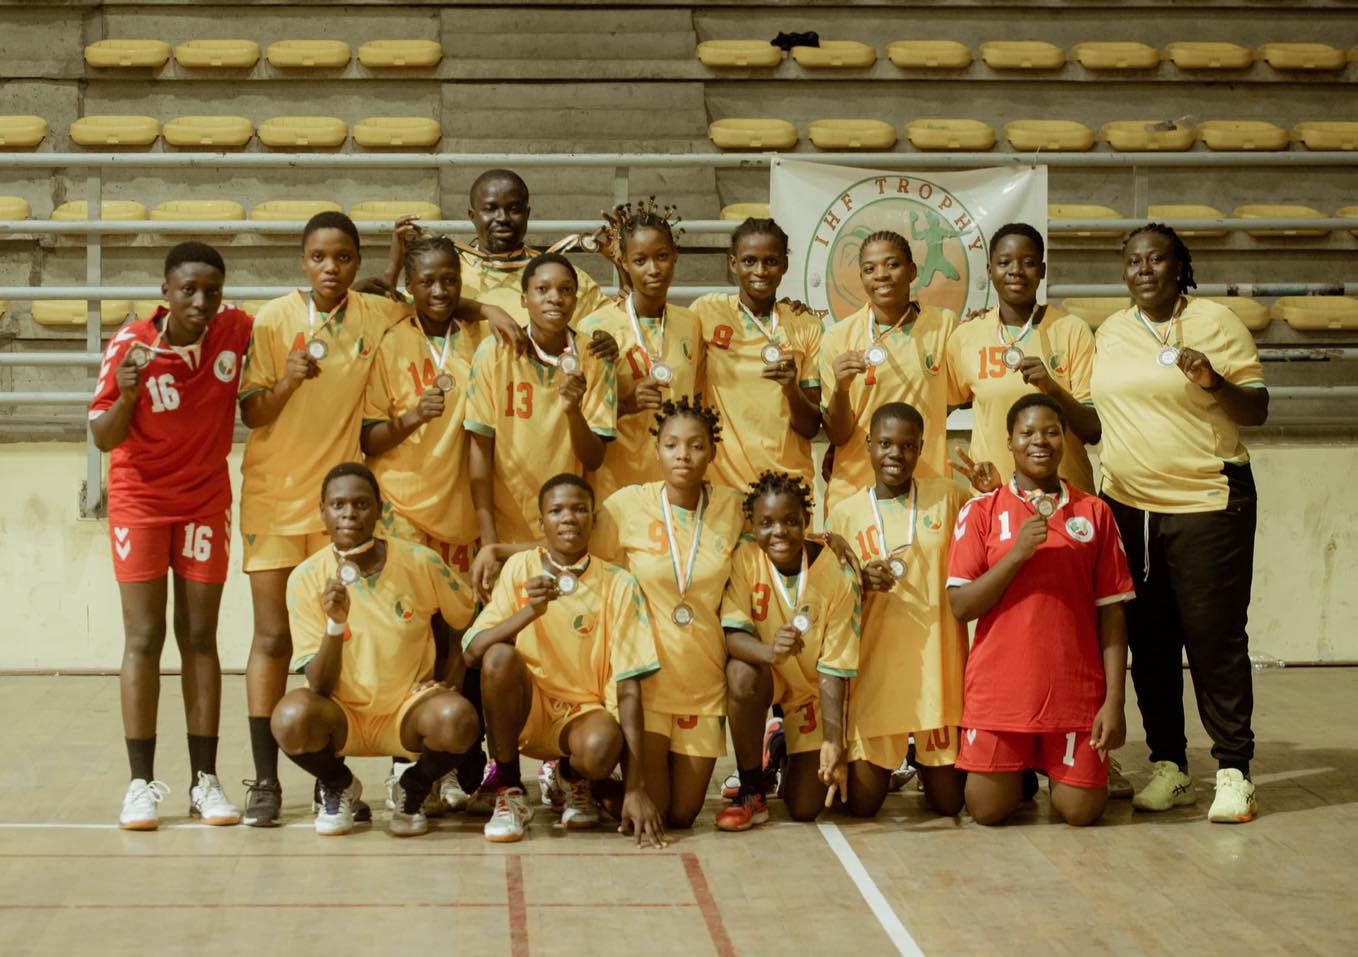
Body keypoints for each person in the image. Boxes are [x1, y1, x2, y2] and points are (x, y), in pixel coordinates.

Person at [1091, 223, 1269, 824]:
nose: (1144, 270)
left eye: (1157, 259)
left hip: (1207, 502)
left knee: (1214, 639)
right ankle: (1170, 765)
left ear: (1179, 266)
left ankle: (1233, 771)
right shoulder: (1111, 332)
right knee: (1151, 640)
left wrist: (1212, 380)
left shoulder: (1217, 323)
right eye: (1134, 261)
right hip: (1128, 507)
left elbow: (1258, 409)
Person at [90, 242, 252, 830]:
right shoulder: (131, 343)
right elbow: (104, 438)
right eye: (188, 290)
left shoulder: (234, 330)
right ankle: (140, 784)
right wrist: (130, 391)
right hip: (141, 500)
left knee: (201, 636)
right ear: (165, 291)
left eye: (212, 289)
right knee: (144, 636)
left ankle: (204, 781)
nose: (201, 301)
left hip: (205, 501)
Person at [947, 395, 1135, 826]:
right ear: (1009, 441)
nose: (1040, 442)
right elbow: (961, 606)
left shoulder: (1094, 512)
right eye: (1027, 433)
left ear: (1065, 439)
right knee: (987, 811)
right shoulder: (981, 510)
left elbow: (1112, 615)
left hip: (1073, 693)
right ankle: (1022, 767)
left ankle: (1048, 765)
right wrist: (1015, 556)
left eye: (1051, 432)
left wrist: (1114, 702)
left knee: (1080, 812)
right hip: (1002, 694)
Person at [271, 463, 478, 836]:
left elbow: (464, 618)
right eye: (338, 504)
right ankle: (339, 785)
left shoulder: (420, 561)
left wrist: (450, 679)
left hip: (406, 710)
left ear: (379, 510)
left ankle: (413, 788)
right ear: (323, 512)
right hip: (342, 713)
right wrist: (335, 622)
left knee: (457, 718)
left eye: (361, 504)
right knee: (290, 718)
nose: (349, 513)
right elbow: (317, 684)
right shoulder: (305, 578)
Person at [461, 474, 668, 847]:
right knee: (498, 659)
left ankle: (570, 776)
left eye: (579, 509)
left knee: (603, 744)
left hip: (581, 716)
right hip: (527, 708)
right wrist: (529, 612)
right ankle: (509, 789)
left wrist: (636, 787)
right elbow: (473, 653)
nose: (568, 518)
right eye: (556, 511)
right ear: (541, 523)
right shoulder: (520, 568)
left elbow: (628, 686)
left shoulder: (618, 583)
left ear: (593, 519)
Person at [360, 233, 487, 813]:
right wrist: (413, 416)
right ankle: (404, 764)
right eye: (427, 281)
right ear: (410, 287)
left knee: (458, 641)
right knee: (410, 642)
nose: (439, 290)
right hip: (403, 510)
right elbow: (369, 437)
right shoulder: (392, 343)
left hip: (463, 513)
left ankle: (452, 760)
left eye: (449, 280)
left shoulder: (480, 337)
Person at [589, 396, 744, 827]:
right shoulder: (625, 506)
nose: (683, 455)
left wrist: (829, 541)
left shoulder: (733, 508)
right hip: (648, 684)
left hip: (703, 681)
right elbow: (579, 560)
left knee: (683, 816)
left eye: (696, 445)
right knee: (654, 805)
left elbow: (781, 533)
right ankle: (582, 776)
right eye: (672, 444)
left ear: (712, 451)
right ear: (655, 449)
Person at [825, 402, 968, 817]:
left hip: (936, 678)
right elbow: (831, 601)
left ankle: (922, 761)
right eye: (885, 443)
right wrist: (859, 584)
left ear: (921, 447)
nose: (896, 454)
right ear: (868, 445)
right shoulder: (844, 514)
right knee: (862, 805)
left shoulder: (949, 496)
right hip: (877, 676)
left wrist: (992, 491)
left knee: (949, 804)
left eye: (908, 445)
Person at [718, 471, 860, 830]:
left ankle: (779, 742)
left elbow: (833, 665)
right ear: (752, 524)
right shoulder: (744, 557)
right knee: (740, 674)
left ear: (807, 522)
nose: (779, 531)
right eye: (766, 523)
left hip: (810, 690)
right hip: (765, 674)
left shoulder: (839, 574)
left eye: (791, 521)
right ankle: (751, 788)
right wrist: (770, 653)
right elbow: (732, 635)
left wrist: (832, 739)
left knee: (804, 808)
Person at [465, 253, 617, 546]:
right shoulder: (493, 353)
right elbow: (480, 449)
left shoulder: (596, 357)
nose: (555, 298)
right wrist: (488, 539)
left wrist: (574, 412)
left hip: (568, 528)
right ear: (523, 299)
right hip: (505, 526)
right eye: (542, 289)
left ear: (576, 299)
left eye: (566, 290)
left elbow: (594, 458)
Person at [946, 223, 1099, 495]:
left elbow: (1092, 430)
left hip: (1066, 497)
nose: (1015, 270)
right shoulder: (967, 335)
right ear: (990, 271)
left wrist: (1052, 388)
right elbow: (937, 408)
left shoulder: (1072, 329)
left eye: (1027, 262)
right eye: (1004, 262)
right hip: (995, 495)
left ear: (1041, 271)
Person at [819, 231, 960, 515]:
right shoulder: (838, 336)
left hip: (926, 487)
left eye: (892, 265)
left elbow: (961, 395)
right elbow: (837, 433)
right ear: (862, 278)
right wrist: (841, 389)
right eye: (869, 269)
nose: (881, 275)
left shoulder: (945, 327)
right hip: (855, 491)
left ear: (912, 271)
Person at [578, 200, 704, 501]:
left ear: (675, 257)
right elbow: (578, 420)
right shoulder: (595, 327)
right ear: (623, 262)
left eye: (661, 257)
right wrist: (625, 404)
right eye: (640, 260)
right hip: (615, 487)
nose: (653, 269)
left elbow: (697, 403)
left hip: (675, 488)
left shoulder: (691, 323)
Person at [688, 218, 823, 490]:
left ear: (784, 265)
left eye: (771, 261)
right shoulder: (706, 312)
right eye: (749, 261)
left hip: (788, 484)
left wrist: (790, 389)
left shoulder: (805, 324)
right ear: (733, 263)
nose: (760, 271)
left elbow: (811, 427)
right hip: (722, 483)